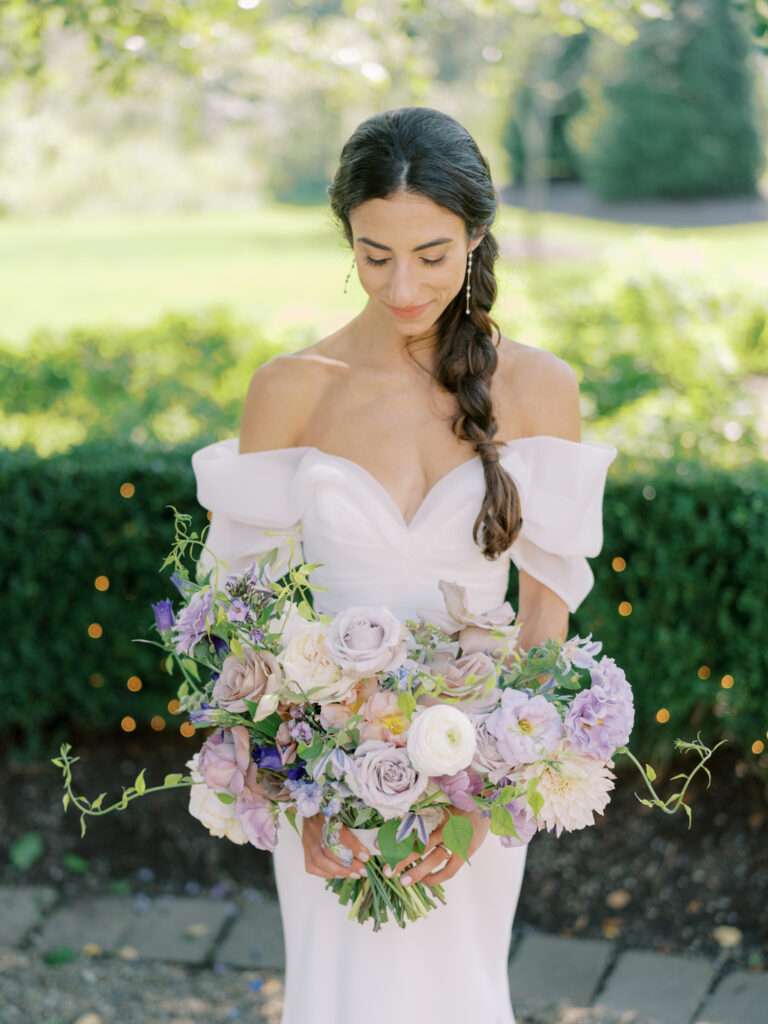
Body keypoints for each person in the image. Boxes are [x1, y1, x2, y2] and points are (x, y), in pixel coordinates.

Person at [191, 106, 617, 1024]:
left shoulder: (539, 388)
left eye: (431, 253)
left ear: (476, 234)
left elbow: (545, 618)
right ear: (346, 236)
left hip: (479, 774)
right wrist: (294, 787)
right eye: (374, 253)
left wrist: (481, 794)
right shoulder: (292, 388)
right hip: (326, 782)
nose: (403, 283)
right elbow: (239, 616)